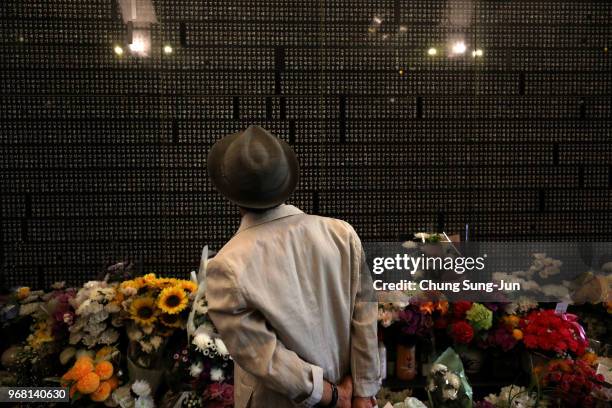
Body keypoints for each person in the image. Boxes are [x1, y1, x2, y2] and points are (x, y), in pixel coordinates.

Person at [205, 125, 380, 408]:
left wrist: (335, 396)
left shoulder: (228, 265)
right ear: (286, 181)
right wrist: (362, 391)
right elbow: (365, 318)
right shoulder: (341, 233)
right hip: (348, 388)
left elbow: (265, 357)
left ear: (228, 192)